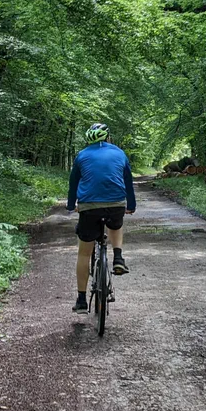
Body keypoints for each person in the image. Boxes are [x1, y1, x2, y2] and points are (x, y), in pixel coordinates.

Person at [65, 122, 136, 313]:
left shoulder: (82, 155)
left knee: (84, 253)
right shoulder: (119, 153)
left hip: (89, 207)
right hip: (116, 205)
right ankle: (118, 258)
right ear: (108, 137)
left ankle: (81, 300)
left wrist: (71, 206)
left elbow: (73, 184)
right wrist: (131, 205)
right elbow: (128, 182)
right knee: (115, 225)